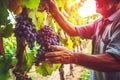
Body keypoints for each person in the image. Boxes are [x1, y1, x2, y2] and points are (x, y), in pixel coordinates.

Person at [44, 0, 120, 80]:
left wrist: (73, 57)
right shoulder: (100, 21)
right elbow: (73, 30)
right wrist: (55, 11)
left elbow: (115, 61)